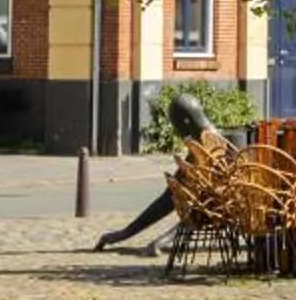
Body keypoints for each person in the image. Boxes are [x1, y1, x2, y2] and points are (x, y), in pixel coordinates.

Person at [91, 91, 214, 254]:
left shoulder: (210, 146)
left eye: (176, 126)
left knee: (203, 205)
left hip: (212, 206)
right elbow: (172, 196)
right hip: (204, 206)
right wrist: (126, 232)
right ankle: (151, 240)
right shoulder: (201, 141)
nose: (176, 132)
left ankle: (159, 242)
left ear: (186, 122)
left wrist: (161, 240)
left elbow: (208, 210)